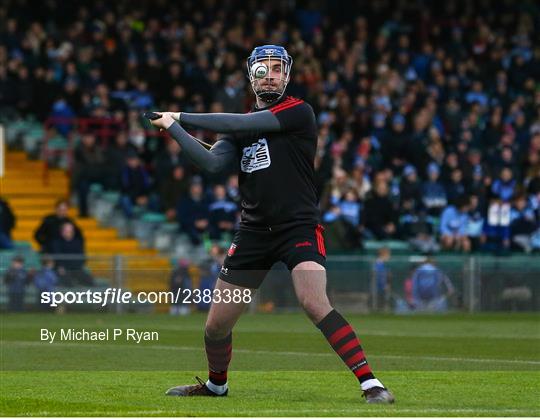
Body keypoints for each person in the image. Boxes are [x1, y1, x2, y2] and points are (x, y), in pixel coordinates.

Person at [148, 45, 394, 403]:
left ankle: (371, 383)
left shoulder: (298, 112)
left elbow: (243, 123)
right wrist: (172, 127)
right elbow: (214, 165)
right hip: (253, 232)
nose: (272, 75)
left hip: (298, 226)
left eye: (278, 69)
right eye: (263, 69)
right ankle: (217, 385)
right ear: (252, 76)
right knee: (216, 326)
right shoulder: (236, 129)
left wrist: (181, 115)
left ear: (288, 75)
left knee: (313, 302)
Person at [51, 222, 94, 286]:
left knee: (89, 281)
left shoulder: (77, 242)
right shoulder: (56, 242)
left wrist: (78, 267)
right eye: (66, 231)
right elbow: (57, 257)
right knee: (67, 282)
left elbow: (82, 257)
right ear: (62, 232)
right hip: (63, 269)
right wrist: (61, 266)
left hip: (76, 268)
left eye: (70, 231)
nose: (68, 233)